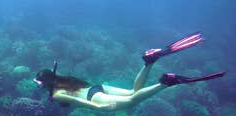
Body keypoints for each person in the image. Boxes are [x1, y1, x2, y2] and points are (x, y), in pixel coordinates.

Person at [33, 32, 225, 110]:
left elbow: (75, 100)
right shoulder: (60, 79)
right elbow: (52, 72)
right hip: (98, 87)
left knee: (132, 102)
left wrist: (98, 108)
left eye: (40, 84)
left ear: (47, 83)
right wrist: (50, 72)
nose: (40, 87)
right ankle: (149, 62)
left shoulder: (56, 94)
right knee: (134, 91)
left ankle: (165, 82)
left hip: (94, 99)